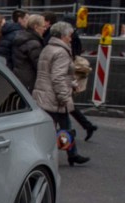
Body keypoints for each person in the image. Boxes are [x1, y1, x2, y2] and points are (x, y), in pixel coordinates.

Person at [32, 21, 89, 166]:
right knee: (59, 129)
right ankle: (52, 156)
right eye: (70, 35)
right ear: (63, 36)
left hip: (44, 93)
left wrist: (71, 84)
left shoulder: (48, 48)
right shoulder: (61, 52)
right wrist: (65, 97)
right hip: (54, 97)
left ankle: (72, 153)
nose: (71, 38)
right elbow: (58, 77)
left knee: (61, 127)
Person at [10, 14, 45, 91]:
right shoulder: (33, 43)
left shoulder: (22, 37)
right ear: (36, 27)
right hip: (30, 81)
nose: (44, 29)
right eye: (43, 26)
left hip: (20, 78)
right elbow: (39, 65)